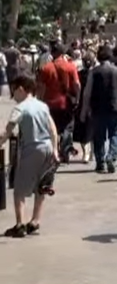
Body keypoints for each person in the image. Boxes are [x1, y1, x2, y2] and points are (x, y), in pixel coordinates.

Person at [0, 73, 59, 237]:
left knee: (19, 189)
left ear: (21, 89)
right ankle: (34, 221)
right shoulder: (42, 106)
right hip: (47, 147)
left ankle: (20, 225)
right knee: (42, 186)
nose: (13, 97)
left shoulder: (20, 108)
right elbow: (53, 129)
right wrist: (55, 149)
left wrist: (1, 141)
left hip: (31, 149)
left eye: (13, 92)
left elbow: (7, 131)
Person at [80, 45, 117, 174]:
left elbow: (87, 93)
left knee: (99, 137)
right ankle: (111, 156)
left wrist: (84, 111)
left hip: (97, 109)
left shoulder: (93, 72)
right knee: (115, 134)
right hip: (114, 107)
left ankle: (100, 162)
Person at [37, 42, 80, 163]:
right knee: (67, 127)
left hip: (49, 103)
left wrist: (39, 101)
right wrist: (77, 98)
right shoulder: (70, 67)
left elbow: (41, 87)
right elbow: (77, 85)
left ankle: (53, 152)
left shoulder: (46, 68)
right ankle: (65, 151)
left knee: (52, 128)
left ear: (52, 53)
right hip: (66, 102)